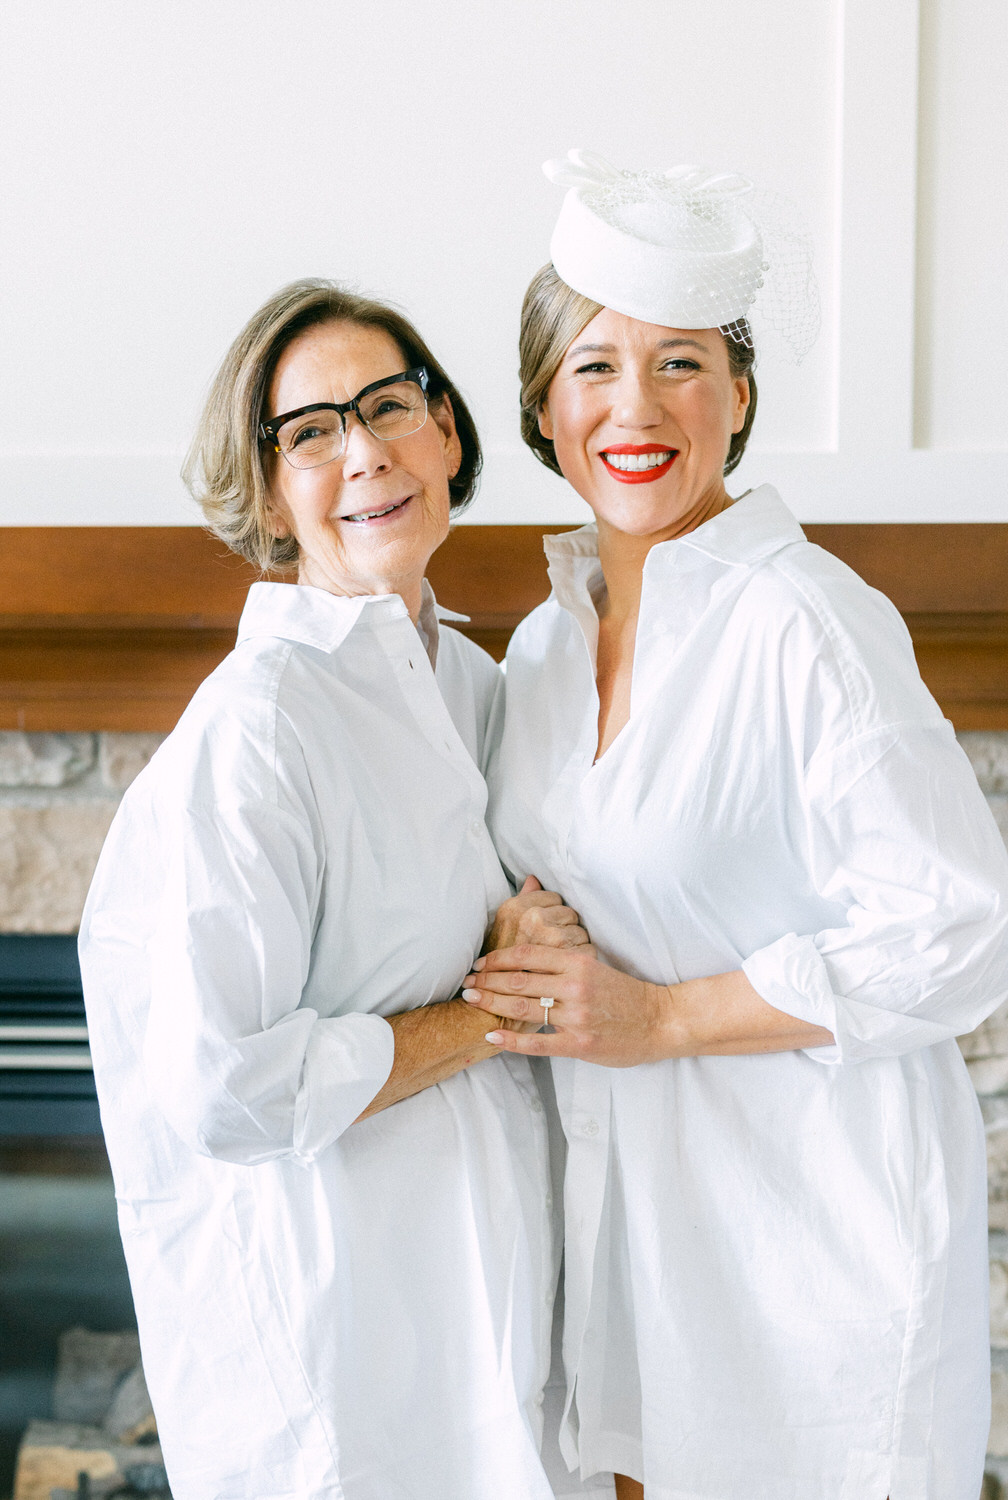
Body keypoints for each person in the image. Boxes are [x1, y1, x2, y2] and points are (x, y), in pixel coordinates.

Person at [464, 152, 1008, 1499]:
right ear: (543, 402)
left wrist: (657, 1020)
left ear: (742, 396)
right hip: (629, 1240)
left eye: (682, 364)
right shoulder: (538, 649)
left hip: (807, 1241)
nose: (634, 407)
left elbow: (958, 933)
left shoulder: (810, 624)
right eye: (594, 366)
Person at [78, 277, 590, 1500]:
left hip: (501, 1327)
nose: (363, 452)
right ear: (267, 492)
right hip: (344, 1371)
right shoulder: (257, 731)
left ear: (449, 432)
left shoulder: (479, 684)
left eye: (389, 406)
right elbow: (226, 1089)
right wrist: (489, 1016)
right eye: (309, 433)